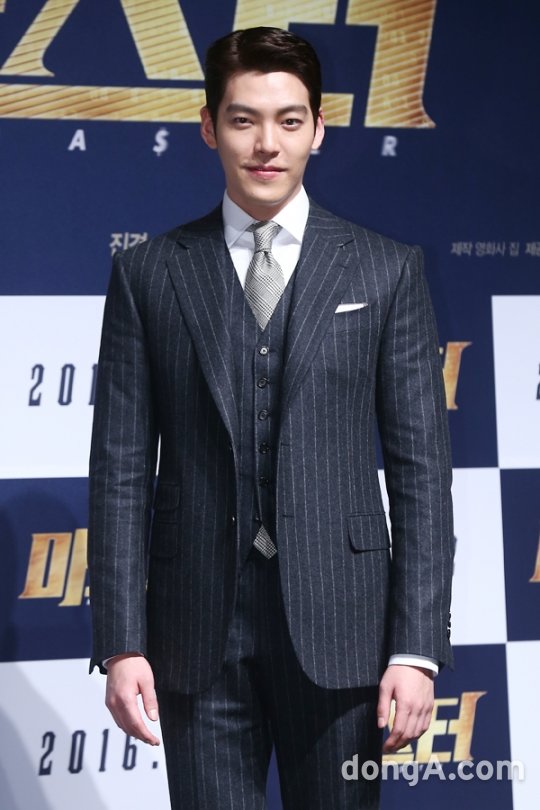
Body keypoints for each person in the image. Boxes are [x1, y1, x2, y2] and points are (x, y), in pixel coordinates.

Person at [88, 26, 454, 810]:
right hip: (194, 635)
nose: (266, 143)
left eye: (289, 120)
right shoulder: (148, 273)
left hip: (345, 629)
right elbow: (119, 471)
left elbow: (423, 473)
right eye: (244, 119)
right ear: (208, 127)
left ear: (318, 129)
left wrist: (417, 648)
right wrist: (120, 643)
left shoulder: (386, 270)